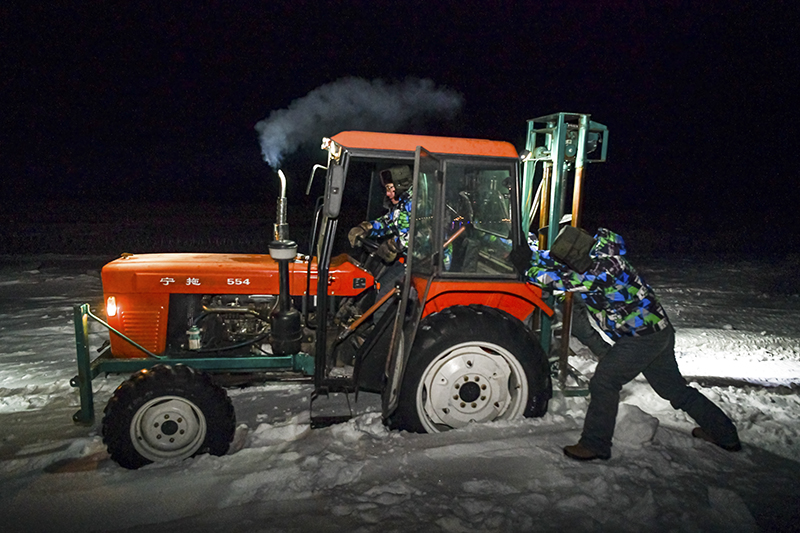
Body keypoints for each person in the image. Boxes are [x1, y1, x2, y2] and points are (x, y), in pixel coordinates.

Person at [513, 226, 741, 461]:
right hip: (657, 332)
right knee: (673, 389)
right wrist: (533, 256)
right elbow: (560, 262)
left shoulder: (603, 271)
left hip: (640, 338)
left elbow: (560, 281)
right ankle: (724, 433)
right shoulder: (598, 255)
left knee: (605, 381)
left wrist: (527, 268)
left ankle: (595, 444)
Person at [348, 165, 413, 320]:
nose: (388, 193)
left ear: (400, 186)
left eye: (390, 188)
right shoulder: (402, 203)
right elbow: (388, 222)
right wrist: (367, 228)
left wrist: (394, 245)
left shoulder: (420, 203)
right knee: (378, 284)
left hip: (425, 264)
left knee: (383, 304)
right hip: (408, 261)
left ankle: (382, 339)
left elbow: (421, 236)